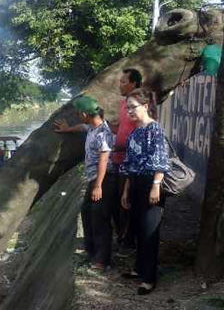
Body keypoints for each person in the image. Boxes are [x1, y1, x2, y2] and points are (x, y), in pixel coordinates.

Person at [54, 96, 116, 272]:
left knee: (100, 219)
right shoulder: (92, 127)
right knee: (87, 213)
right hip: (94, 179)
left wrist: (98, 186)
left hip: (104, 180)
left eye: (78, 114)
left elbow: (104, 160)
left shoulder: (103, 133)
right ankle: (91, 252)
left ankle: (102, 261)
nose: (78, 117)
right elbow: (83, 127)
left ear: (84, 113)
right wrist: (68, 129)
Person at [120, 89, 170, 295]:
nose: (130, 111)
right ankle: (139, 269)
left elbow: (160, 160)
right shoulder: (135, 131)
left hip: (152, 183)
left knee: (150, 231)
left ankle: (149, 279)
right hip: (135, 183)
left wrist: (156, 185)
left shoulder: (154, 129)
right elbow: (129, 164)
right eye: (127, 107)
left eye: (133, 106)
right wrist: (126, 190)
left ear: (146, 106)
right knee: (139, 228)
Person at [111, 68, 141, 256]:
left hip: (131, 161)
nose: (120, 84)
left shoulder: (140, 104)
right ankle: (122, 236)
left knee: (127, 201)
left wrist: (123, 148)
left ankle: (129, 242)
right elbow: (120, 129)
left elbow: (140, 133)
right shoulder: (123, 104)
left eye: (123, 81)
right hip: (118, 160)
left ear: (134, 83)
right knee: (118, 200)